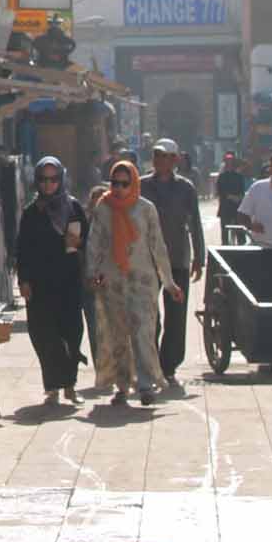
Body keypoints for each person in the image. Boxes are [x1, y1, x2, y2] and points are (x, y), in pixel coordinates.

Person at [85, 159, 181, 408]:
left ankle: (146, 384)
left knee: (142, 332)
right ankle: (122, 385)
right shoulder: (103, 208)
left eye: (124, 184)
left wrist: (169, 282)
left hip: (142, 281)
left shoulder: (146, 209)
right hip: (112, 282)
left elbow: (158, 246)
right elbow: (94, 242)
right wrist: (91, 271)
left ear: (134, 183)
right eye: (114, 183)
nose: (119, 189)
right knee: (118, 336)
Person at [15, 157, 88, 407]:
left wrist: (78, 245)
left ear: (61, 179)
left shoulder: (73, 208)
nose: (49, 185)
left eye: (54, 179)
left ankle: (70, 384)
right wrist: (23, 280)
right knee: (45, 335)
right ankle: (53, 385)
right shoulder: (31, 212)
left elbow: (86, 241)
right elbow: (22, 249)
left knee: (72, 332)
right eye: (44, 180)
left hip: (68, 280)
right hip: (40, 283)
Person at [140, 137, 205, 390]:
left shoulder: (186, 188)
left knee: (176, 317)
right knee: (148, 316)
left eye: (166, 156)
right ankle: (151, 363)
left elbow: (195, 224)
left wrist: (199, 257)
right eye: (157, 155)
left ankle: (169, 366)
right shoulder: (142, 186)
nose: (161, 160)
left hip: (177, 258)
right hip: (146, 259)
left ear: (175, 160)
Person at [215, 153, 247, 236]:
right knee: (225, 231)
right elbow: (219, 191)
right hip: (225, 206)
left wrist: (238, 197)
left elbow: (242, 191)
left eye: (231, 161)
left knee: (240, 232)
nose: (229, 163)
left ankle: (241, 246)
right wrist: (229, 196)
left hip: (237, 206)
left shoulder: (239, 176)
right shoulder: (221, 176)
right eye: (227, 161)